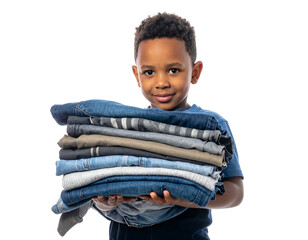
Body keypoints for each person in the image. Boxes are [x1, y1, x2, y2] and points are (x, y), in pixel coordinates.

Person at [92, 12, 244, 240]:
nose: (161, 82)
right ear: (137, 75)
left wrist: (184, 197)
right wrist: (105, 203)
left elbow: (236, 192)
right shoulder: (124, 129)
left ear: (195, 71)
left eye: (174, 70)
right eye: (149, 72)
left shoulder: (210, 126)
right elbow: (97, 191)